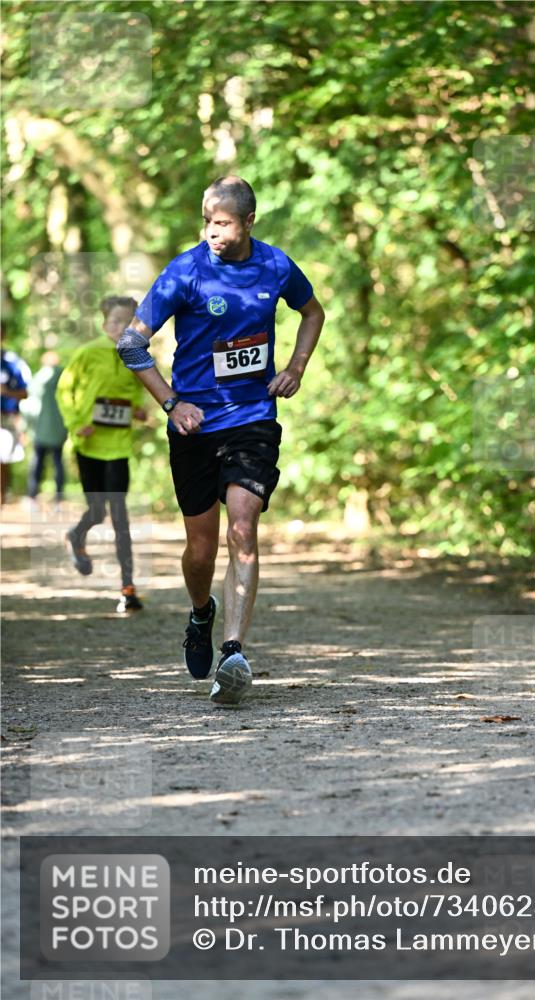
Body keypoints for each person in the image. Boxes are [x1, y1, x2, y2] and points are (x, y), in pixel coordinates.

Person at [117, 175, 325, 704]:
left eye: (223, 223)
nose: (212, 232)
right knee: (201, 547)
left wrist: (296, 366)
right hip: (194, 425)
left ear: (249, 221)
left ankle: (233, 651)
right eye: (207, 222)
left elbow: (312, 311)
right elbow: (131, 344)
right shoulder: (184, 271)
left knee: (242, 528)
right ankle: (201, 613)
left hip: (253, 417)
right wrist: (171, 401)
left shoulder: (276, 265)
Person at [56, 296, 147, 613]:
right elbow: (64, 390)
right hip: (88, 446)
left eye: (129, 322)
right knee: (97, 511)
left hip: (118, 446)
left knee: (120, 514)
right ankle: (76, 533)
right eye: (116, 321)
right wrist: (76, 423)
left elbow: (137, 389)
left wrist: (139, 410)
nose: (122, 327)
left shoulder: (134, 354)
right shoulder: (87, 352)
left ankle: (128, 588)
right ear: (104, 322)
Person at [23, 351, 68, 508]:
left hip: (39, 430)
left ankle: (32, 498)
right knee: (58, 463)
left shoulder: (38, 378)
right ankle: (59, 501)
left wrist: (25, 427)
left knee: (37, 463)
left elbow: (30, 406)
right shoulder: (65, 376)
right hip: (59, 430)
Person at [0, 335, 31, 505]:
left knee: (3, 461)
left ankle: (2, 499)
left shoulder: (12, 362)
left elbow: (25, 393)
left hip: (6, 418)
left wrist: (6, 392)